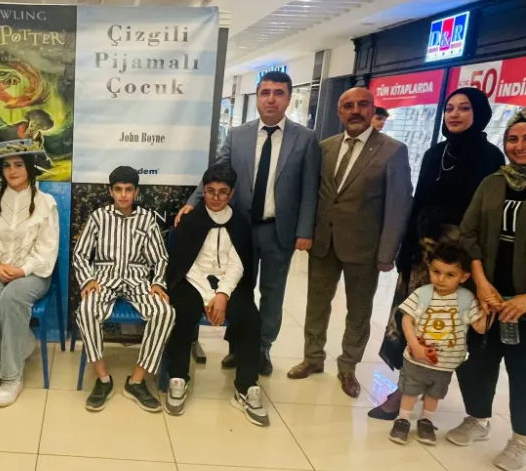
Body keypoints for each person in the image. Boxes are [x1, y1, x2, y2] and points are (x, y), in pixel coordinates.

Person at [446, 107, 526, 471]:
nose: (520, 146)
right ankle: (477, 418)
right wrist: (482, 285)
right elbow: (468, 234)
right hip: (488, 296)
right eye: (513, 139)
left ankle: (521, 440)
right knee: (477, 360)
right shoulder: (493, 182)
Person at [370, 88, 504, 420]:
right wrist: (405, 248)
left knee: (440, 324)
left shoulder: (491, 158)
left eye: (464, 108)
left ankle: (422, 389)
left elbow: (486, 217)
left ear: (479, 114)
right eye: (449, 108)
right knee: (411, 318)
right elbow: (418, 202)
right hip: (422, 256)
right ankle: (405, 387)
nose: (454, 114)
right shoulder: (435, 153)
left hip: (459, 260)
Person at [176, 70, 320, 376]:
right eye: (265, 92)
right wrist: (192, 202)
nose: (271, 99)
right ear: (257, 97)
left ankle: (262, 348)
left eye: (278, 93)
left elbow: (310, 188)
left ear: (288, 98)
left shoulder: (305, 139)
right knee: (240, 289)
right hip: (239, 228)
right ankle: (237, 347)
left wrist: (305, 230)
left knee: (272, 293)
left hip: (278, 230)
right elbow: (216, 173)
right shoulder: (238, 135)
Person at [289, 87, 412, 398]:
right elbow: (314, 193)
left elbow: (398, 205)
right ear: (339, 112)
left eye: (362, 104)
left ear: (372, 109)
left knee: (358, 311)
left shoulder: (392, 150)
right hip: (324, 242)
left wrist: (387, 252)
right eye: (348, 106)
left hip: (364, 248)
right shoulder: (325, 147)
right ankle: (313, 358)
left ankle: (348, 367)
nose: (355, 110)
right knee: (316, 305)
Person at [165, 165, 267, 425]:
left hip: (229, 285)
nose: (216, 197)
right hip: (193, 282)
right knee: (181, 312)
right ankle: (177, 377)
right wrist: (208, 295)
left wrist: (221, 294)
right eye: (210, 191)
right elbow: (186, 264)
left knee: (250, 317)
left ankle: (246, 387)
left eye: (223, 192)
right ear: (204, 191)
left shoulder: (240, 224)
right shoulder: (190, 221)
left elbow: (238, 264)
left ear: (231, 193)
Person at [74, 166, 176, 413]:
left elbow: (160, 258)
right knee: (86, 310)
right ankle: (103, 379)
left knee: (165, 313)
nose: (123, 195)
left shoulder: (146, 220)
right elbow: (80, 254)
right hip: (104, 278)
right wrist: (88, 280)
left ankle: (137, 381)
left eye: (128, 190)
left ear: (136, 192)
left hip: (137, 280)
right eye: (118, 189)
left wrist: (157, 282)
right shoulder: (99, 217)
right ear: (110, 191)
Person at [0, 152, 59, 407]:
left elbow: (47, 250)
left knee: (11, 297)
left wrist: (21, 270)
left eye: (19, 165)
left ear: (29, 168)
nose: (12, 171)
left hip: (32, 273)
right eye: (7, 166)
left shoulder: (45, 203)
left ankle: (12, 376)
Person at [388, 241, 487, 446]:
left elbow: (479, 327)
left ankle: (426, 421)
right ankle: (403, 420)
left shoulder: (466, 299)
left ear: (464, 277)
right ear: (429, 269)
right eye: (436, 272)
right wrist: (414, 345)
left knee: (435, 393)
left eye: (450, 275)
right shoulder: (422, 293)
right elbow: (407, 319)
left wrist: (487, 309)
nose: (441, 279)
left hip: (446, 363)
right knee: (410, 390)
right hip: (416, 359)